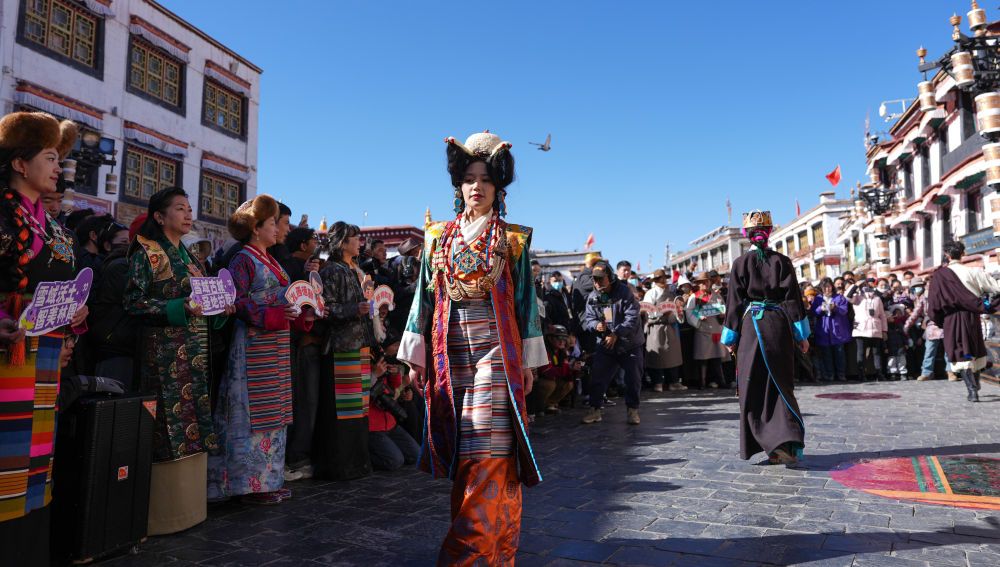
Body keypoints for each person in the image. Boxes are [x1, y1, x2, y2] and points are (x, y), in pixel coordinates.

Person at [398, 131, 545, 566]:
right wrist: (416, 357)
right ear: (458, 185)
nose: (476, 186)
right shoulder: (436, 237)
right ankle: (495, 553)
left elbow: (526, 303)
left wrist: (528, 363)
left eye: (485, 179)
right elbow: (422, 298)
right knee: (468, 456)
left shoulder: (512, 239)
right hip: (449, 352)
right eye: (468, 179)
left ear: (498, 186)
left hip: (496, 352)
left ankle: (465, 556)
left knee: (487, 448)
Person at [0, 111, 85, 566]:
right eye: (50, 158)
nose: (58, 168)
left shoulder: (54, 228)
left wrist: (74, 314)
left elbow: (64, 287)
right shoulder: (2, 214)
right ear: (19, 163)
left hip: (46, 357)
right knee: (5, 462)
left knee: (37, 462)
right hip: (8, 355)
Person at [124, 187, 224, 534]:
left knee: (195, 418)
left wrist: (220, 307)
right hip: (164, 354)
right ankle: (164, 514)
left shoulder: (192, 257)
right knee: (167, 425)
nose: (188, 213)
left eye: (189, 207)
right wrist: (178, 307)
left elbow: (203, 302)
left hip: (195, 352)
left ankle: (191, 508)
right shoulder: (148, 252)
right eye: (179, 208)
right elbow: (133, 303)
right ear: (159, 216)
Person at [208, 195, 313, 504]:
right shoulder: (242, 259)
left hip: (275, 344)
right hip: (253, 343)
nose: (279, 228)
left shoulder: (271, 259)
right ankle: (245, 484)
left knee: (275, 410)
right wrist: (274, 314)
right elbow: (236, 300)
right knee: (251, 413)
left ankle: (268, 480)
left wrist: (303, 312)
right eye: (272, 223)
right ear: (256, 228)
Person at [721, 211, 810, 466]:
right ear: (769, 233)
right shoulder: (782, 261)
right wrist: (802, 335)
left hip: (751, 329)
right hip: (778, 326)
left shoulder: (740, 263)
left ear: (746, 235)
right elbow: (793, 300)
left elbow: (734, 303)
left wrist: (730, 336)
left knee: (755, 385)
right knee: (781, 384)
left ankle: (771, 445)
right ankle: (786, 443)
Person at [314, 221, 377, 481]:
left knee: (359, 410)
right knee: (343, 411)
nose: (359, 243)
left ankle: (358, 463)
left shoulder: (357, 271)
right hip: (341, 347)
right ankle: (342, 465)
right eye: (354, 239)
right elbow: (324, 308)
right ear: (342, 243)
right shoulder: (333, 271)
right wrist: (354, 309)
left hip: (359, 346)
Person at [928, 240, 1000, 402]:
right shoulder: (974, 272)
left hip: (951, 319)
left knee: (960, 350)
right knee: (972, 350)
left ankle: (972, 390)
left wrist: (938, 320)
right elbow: (996, 288)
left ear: (946, 255)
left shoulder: (939, 276)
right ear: (963, 254)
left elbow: (933, 303)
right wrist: (986, 303)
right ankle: (975, 385)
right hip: (972, 317)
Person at [580, 260, 644, 425]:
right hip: (606, 345)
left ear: (610, 277)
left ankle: (632, 410)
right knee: (597, 378)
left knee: (633, 379)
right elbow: (588, 319)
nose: (597, 282)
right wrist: (596, 325)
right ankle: (595, 410)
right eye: (594, 279)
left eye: (601, 278)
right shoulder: (593, 297)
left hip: (629, 344)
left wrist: (616, 333)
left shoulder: (625, 292)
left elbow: (632, 317)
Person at [643, 268, 685, 391]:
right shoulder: (650, 293)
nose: (662, 281)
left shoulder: (672, 294)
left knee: (673, 355)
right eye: (658, 279)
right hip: (656, 327)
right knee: (657, 356)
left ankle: (673, 382)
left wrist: (678, 313)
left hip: (670, 326)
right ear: (655, 281)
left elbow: (678, 310)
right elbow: (647, 311)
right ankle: (657, 382)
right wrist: (661, 313)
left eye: (663, 278)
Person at [686, 272, 728, 389]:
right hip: (702, 329)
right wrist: (698, 319)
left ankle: (721, 381)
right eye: (702, 282)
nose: (705, 284)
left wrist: (722, 315)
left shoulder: (717, 296)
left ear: (710, 282)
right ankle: (702, 382)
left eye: (707, 281)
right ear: (698, 284)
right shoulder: (694, 297)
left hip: (716, 328)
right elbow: (689, 312)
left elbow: (723, 308)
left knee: (717, 357)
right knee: (702, 357)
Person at [904, 277, 948, 381]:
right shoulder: (923, 298)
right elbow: (915, 313)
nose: (917, 289)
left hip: (944, 325)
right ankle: (927, 372)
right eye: (914, 287)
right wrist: (907, 325)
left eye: (918, 286)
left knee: (947, 351)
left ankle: (950, 372)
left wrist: (906, 326)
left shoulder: (939, 295)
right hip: (932, 327)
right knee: (930, 351)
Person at [811, 277, 850, 382]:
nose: (827, 289)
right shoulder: (818, 299)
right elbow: (813, 312)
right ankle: (830, 375)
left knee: (839, 353)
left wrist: (835, 308)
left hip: (837, 330)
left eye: (828, 287)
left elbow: (844, 311)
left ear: (832, 287)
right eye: (824, 287)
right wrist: (820, 308)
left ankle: (841, 374)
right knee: (826, 354)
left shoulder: (839, 297)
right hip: (824, 330)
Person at [847, 280, 887, 382]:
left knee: (876, 352)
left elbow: (882, 315)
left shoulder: (877, 298)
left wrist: (884, 330)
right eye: (864, 285)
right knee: (861, 352)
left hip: (875, 328)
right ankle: (861, 374)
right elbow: (847, 296)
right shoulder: (857, 297)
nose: (866, 287)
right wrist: (855, 285)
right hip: (861, 329)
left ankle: (879, 373)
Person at [533, 325, 578, 414]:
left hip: (552, 378)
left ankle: (549, 404)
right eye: (559, 338)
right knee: (549, 384)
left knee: (569, 384)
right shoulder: (544, 350)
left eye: (564, 338)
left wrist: (574, 370)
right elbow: (547, 371)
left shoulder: (562, 351)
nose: (562, 341)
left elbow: (566, 374)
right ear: (550, 338)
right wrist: (568, 368)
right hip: (537, 383)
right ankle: (536, 407)